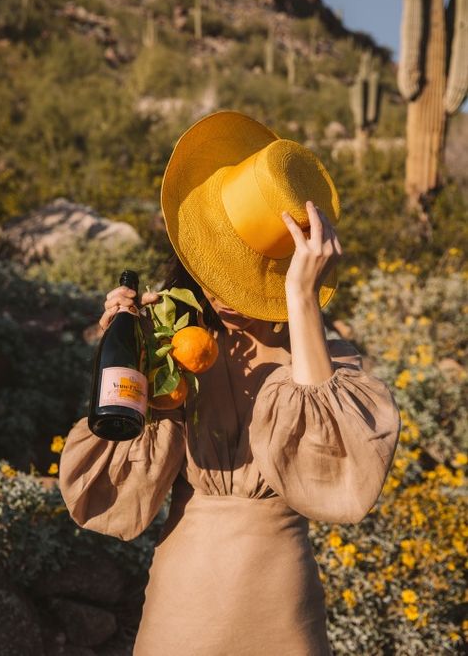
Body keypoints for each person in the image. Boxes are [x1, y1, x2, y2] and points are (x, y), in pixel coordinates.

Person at [59, 110, 402, 656]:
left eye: (239, 267)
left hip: (283, 612)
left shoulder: (321, 357)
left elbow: (339, 477)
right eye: (214, 261)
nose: (217, 286)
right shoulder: (176, 342)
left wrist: (301, 301)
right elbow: (115, 493)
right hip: (183, 606)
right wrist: (128, 361)